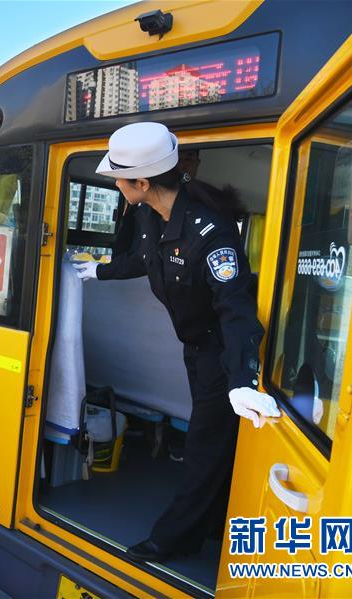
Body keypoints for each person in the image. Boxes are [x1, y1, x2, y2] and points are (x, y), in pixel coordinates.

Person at [74, 121, 280, 562]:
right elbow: (142, 260)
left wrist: (242, 376)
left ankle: (172, 540)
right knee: (217, 443)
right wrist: (99, 271)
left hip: (222, 356)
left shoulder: (212, 234)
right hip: (195, 352)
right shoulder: (151, 216)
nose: (116, 183)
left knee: (204, 451)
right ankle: (214, 522)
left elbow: (236, 308)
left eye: (119, 178)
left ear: (142, 183)